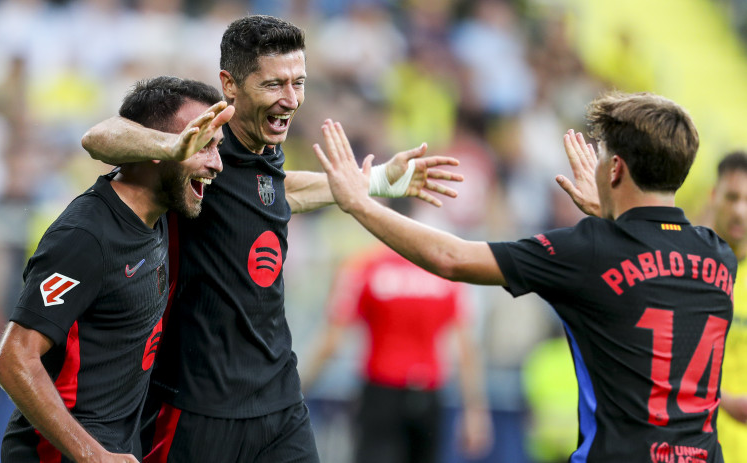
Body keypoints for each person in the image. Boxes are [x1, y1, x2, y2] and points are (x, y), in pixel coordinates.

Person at [80, 15, 463, 463]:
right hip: (197, 406)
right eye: (274, 85)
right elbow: (98, 137)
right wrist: (171, 149)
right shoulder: (203, 149)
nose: (291, 99)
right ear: (230, 84)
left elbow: (277, 191)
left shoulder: (265, 151)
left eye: (298, 82)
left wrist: (375, 180)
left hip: (280, 406)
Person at [314, 91, 736, 462]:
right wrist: (611, 214)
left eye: (604, 157)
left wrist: (360, 203)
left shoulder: (588, 249)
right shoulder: (719, 255)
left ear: (615, 170)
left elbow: (451, 258)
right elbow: (651, 258)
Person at [0, 76, 229, 463]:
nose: (216, 163)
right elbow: (14, 360)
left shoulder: (164, 213)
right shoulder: (85, 236)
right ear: (156, 148)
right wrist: (92, 455)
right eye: (204, 146)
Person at [300, 239, 493, 463]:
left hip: (381, 394)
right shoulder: (442, 270)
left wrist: (297, 387)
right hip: (428, 395)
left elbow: (332, 340)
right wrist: (475, 410)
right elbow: (466, 348)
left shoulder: (366, 266)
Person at [709, 151, 747, 462]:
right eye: (732, 197)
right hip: (694, 446)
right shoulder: (685, 269)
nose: (740, 211)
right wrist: (722, 400)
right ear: (714, 195)